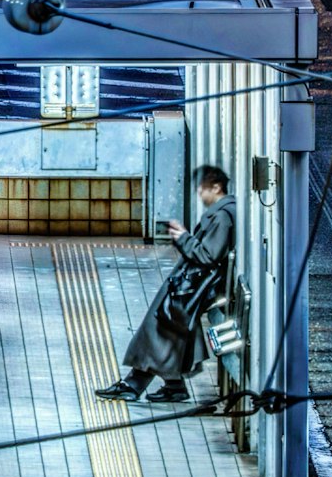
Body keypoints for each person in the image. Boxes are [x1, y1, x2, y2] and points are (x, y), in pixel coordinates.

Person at [98, 164, 236, 404]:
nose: (200, 196)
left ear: (216, 187)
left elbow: (208, 255)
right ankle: (171, 385)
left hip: (194, 287)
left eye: (202, 190)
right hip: (194, 286)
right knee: (169, 331)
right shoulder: (223, 212)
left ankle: (135, 384)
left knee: (160, 326)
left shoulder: (222, 216)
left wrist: (183, 237)